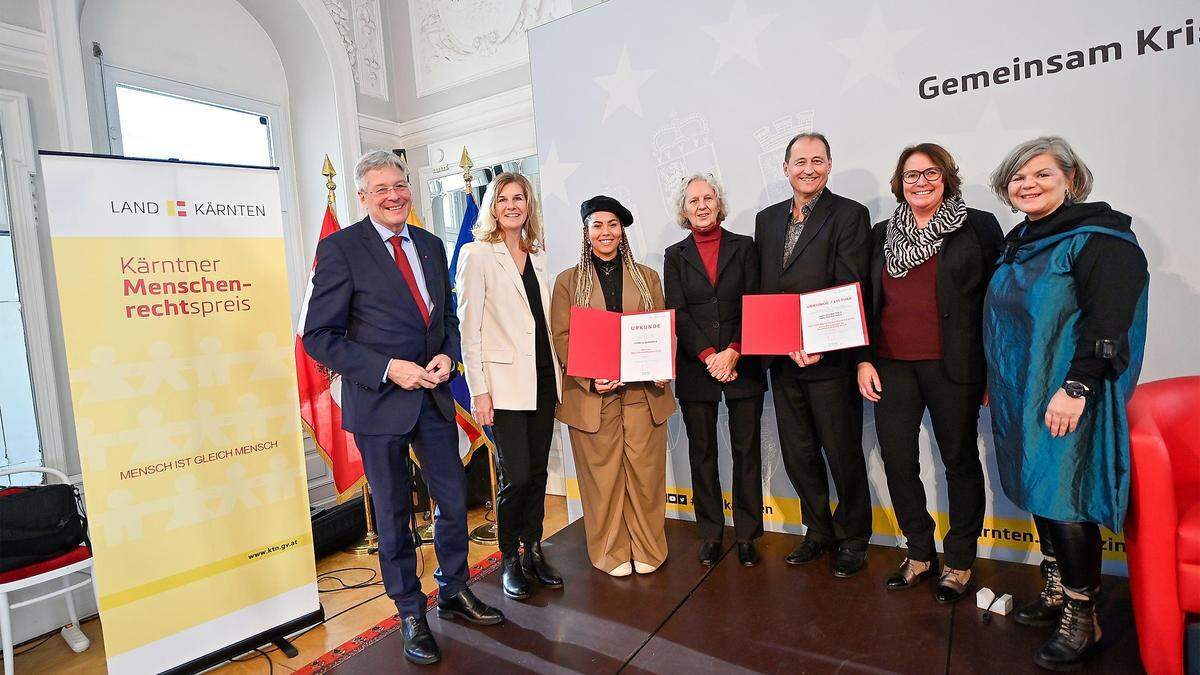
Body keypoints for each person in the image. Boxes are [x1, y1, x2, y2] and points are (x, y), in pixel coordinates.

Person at [303, 150, 504, 666]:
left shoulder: (433, 245)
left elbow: (448, 321)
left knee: (455, 500)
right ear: (363, 197)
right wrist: (388, 367)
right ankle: (410, 610)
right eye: (381, 189)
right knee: (393, 515)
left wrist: (445, 354)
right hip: (379, 404)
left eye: (400, 185)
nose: (394, 196)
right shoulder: (340, 249)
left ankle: (455, 589)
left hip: (433, 397)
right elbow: (319, 338)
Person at [985, 136, 1147, 670]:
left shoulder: (1101, 241)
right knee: (1038, 486)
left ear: (1071, 179)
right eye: (1018, 178)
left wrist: (1076, 388)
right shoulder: (1020, 240)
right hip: (1021, 392)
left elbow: (1108, 322)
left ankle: (1084, 616)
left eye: (1042, 175)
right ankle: (1055, 590)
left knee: (1065, 496)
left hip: (1066, 395)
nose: (1028, 185)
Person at [856, 143, 1002, 602]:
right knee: (899, 461)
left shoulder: (976, 225)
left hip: (954, 366)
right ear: (898, 182)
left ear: (947, 178)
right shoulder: (882, 233)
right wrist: (863, 357)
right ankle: (919, 552)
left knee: (959, 461)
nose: (920, 181)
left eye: (930, 173)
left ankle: (959, 561)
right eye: (911, 174)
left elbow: (997, 301)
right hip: (891, 365)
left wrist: (992, 372)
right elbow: (863, 299)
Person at [753, 132, 874, 577]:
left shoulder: (849, 214)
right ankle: (818, 531)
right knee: (798, 453)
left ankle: (854, 536)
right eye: (799, 161)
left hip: (832, 360)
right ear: (785, 168)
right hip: (783, 361)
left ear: (829, 166)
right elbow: (766, 290)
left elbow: (849, 285)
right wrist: (782, 342)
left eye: (817, 160)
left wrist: (818, 342)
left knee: (842, 452)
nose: (808, 168)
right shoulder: (766, 221)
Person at [550, 196, 676, 577]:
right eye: (597, 226)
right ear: (586, 233)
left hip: (644, 395)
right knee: (601, 479)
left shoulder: (647, 276)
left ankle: (649, 549)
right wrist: (590, 376)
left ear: (622, 232)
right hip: (593, 396)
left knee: (646, 475)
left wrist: (662, 366)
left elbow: (660, 330)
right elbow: (562, 336)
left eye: (612, 225)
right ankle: (610, 552)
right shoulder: (568, 281)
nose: (605, 232)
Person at [455, 172, 563, 601]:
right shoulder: (477, 253)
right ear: (492, 207)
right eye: (503, 199)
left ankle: (534, 548)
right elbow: (470, 329)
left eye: (519, 198)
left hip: (541, 380)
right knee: (514, 475)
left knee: (537, 472)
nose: (513, 206)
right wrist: (479, 391)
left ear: (529, 205)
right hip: (501, 388)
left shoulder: (539, 254)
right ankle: (509, 558)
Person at [663, 174, 766, 567]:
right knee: (702, 453)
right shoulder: (675, 255)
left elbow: (754, 302)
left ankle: (747, 534)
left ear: (719, 204)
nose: (702, 205)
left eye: (708, 198)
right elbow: (678, 311)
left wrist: (734, 351)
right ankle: (710, 532)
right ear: (684, 210)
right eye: (694, 200)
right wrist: (709, 355)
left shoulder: (745, 247)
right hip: (696, 367)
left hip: (744, 365)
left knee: (746, 452)